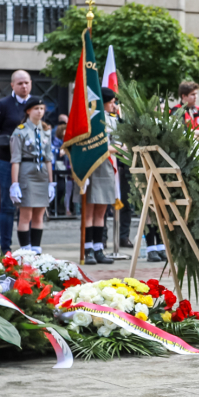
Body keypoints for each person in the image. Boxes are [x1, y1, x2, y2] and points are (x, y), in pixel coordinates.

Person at [0, 69, 32, 254]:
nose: (24, 86)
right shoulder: (3, 104)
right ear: (12, 85)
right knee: (7, 205)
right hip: (7, 161)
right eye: (20, 83)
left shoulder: (35, 104)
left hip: (30, 163)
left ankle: (27, 247)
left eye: (27, 82)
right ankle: (6, 248)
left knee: (29, 204)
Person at [83, 88, 127, 265]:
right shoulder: (92, 117)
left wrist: (118, 147)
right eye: (111, 102)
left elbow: (117, 141)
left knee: (101, 210)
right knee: (90, 210)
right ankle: (87, 249)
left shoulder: (112, 119)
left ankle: (98, 248)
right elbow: (94, 144)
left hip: (108, 165)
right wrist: (117, 148)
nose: (114, 105)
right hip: (93, 165)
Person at [10, 97, 55, 253]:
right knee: (26, 213)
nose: (40, 111)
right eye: (36, 108)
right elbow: (15, 159)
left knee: (39, 214)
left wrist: (51, 182)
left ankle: (36, 248)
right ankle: (25, 249)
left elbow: (49, 158)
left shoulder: (46, 130)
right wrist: (14, 183)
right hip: (27, 171)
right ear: (28, 111)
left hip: (42, 172)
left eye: (42, 108)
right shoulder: (20, 131)